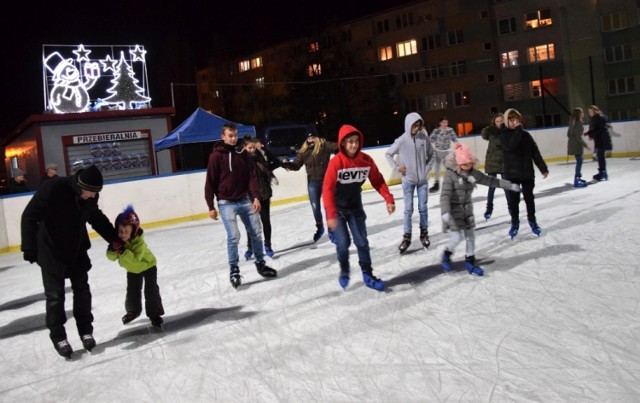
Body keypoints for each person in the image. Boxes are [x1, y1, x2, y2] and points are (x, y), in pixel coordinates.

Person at [21, 165, 122, 358]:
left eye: (96, 193)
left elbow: (96, 218)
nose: (93, 196)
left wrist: (115, 240)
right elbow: (29, 216)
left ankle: (86, 331)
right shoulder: (52, 189)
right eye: (90, 192)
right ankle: (58, 336)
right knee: (55, 297)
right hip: (51, 250)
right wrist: (30, 247)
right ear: (79, 185)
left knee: (82, 291)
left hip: (76, 249)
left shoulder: (91, 195)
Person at [323, 124, 395, 291]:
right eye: (350, 142)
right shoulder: (336, 163)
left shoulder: (366, 160)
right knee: (343, 243)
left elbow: (377, 180)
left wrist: (388, 198)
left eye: (356, 141)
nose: (354, 145)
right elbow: (327, 190)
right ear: (343, 143)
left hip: (355, 207)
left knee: (362, 242)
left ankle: (368, 274)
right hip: (337, 209)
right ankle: (344, 269)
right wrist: (331, 215)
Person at [205, 123, 277, 289]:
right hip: (225, 202)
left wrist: (256, 197)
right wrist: (210, 205)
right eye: (230, 135)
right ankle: (234, 269)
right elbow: (210, 182)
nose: (233, 138)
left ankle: (260, 263)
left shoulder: (243, 154)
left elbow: (251, 176)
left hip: (244, 199)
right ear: (223, 136)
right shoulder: (216, 156)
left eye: (235, 135)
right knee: (234, 236)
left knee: (256, 232)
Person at [440, 142, 521, 275]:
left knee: (470, 235)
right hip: (453, 211)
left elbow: (490, 181)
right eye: (465, 165)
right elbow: (445, 195)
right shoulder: (450, 175)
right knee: (456, 236)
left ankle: (470, 261)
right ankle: (446, 255)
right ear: (459, 163)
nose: (468, 167)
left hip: (467, 209)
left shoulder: (473, 173)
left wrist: (509, 185)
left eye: (470, 164)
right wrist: (445, 212)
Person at [384, 112, 434, 254]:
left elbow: (432, 154)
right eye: (414, 125)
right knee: (408, 210)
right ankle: (407, 237)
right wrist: (397, 167)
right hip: (408, 181)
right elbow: (388, 154)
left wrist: (427, 168)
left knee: (423, 208)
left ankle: (424, 234)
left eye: (418, 125)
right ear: (408, 125)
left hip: (422, 180)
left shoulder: (423, 138)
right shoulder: (401, 140)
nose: (416, 128)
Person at [107, 205, 164, 328]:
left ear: (133, 230)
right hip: (132, 270)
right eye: (120, 231)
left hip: (148, 265)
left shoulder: (139, 243)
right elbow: (111, 258)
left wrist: (122, 251)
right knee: (132, 291)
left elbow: (137, 260)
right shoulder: (118, 241)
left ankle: (155, 315)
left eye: (126, 231)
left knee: (151, 290)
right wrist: (112, 249)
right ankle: (133, 311)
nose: (123, 234)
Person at [501, 108, 549, 239]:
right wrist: (517, 131)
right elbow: (511, 146)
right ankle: (515, 222)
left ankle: (532, 220)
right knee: (514, 201)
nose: (514, 122)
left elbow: (535, 152)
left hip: (527, 173)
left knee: (529, 199)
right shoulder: (504, 135)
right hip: (512, 174)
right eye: (511, 120)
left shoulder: (526, 136)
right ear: (507, 121)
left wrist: (543, 168)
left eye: (516, 119)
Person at [281, 132, 338, 242]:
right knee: (315, 208)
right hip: (313, 183)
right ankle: (320, 228)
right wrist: (287, 164)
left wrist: (344, 148)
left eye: (313, 138)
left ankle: (332, 231)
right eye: (309, 138)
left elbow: (336, 147)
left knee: (328, 207)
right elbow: (296, 165)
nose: (311, 140)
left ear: (318, 138)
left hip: (326, 181)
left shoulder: (324, 146)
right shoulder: (304, 152)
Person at [242, 136, 282, 259]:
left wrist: (269, 172)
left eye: (254, 147)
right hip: (250, 195)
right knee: (251, 223)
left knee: (265, 221)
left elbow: (275, 163)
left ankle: (268, 245)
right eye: (249, 148)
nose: (252, 150)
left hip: (263, 192)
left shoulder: (261, 156)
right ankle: (250, 247)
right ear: (244, 147)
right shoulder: (241, 159)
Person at [480, 113, 505, 219]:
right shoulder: (491, 132)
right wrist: (488, 129)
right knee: (492, 187)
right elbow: (483, 134)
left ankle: (511, 208)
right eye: (497, 121)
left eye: (501, 121)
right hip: (492, 163)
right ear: (494, 123)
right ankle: (489, 209)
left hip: (504, 163)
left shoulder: (507, 132)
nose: (499, 123)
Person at [429, 116, 458, 193]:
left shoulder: (450, 130)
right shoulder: (436, 131)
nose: (445, 124)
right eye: (444, 122)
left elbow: (455, 139)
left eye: (446, 122)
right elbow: (431, 139)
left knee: (449, 168)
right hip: (438, 151)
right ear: (440, 123)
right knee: (437, 168)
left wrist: (457, 145)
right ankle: (436, 184)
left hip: (447, 152)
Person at [584, 105, 612, 181]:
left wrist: (591, 134)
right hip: (600, 140)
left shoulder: (599, 118)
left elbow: (600, 130)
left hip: (602, 140)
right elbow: (596, 129)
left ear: (594, 111)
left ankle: (602, 172)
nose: (589, 113)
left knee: (600, 157)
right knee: (600, 157)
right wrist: (588, 133)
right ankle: (603, 172)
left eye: (590, 112)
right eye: (589, 112)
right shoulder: (596, 118)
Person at [567, 108, 590, 188]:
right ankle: (577, 179)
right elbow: (578, 137)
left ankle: (578, 178)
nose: (583, 113)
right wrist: (585, 145)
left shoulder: (571, 121)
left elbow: (568, 134)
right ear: (579, 113)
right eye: (582, 112)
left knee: (579, 160)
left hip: (571, 143)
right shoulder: (579, 122)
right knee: (580, 161)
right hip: (576, 144)